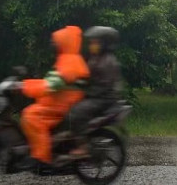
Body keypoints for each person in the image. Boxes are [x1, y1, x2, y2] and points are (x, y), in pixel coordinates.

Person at [19, 25, 90, 167]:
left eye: (55, 42)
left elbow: (51, 85)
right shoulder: (68, 58)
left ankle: (41, 156)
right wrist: (26, 83)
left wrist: (25, 87)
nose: (53, 45)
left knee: (30, 116)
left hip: (60, 105)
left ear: (63, 43)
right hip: (58, 102)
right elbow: (51, 81)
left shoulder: (70, 62)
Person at [66, 26, 123, 158]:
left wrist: (86, 90)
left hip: (104, 99)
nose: (92, 45)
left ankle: (83, 146)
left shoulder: (108, 61)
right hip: (97, 95)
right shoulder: (96, 58)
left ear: (104, 43)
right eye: (92, 42)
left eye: (96, 42)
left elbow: (103, 86)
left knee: (76, 111)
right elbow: (89, 77)